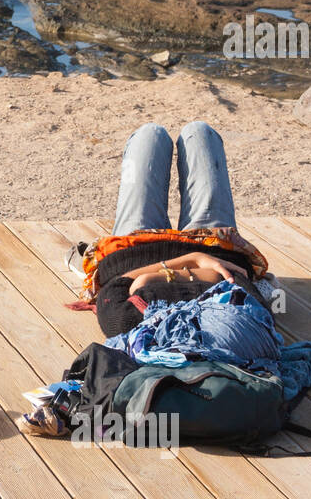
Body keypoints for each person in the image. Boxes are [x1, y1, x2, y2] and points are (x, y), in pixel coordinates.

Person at [87, 121, 270, 337]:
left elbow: (114, 289)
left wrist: (193, 262)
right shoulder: (237, 332)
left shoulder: (130, 325)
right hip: (213, 245)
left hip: (134, 250)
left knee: (150, 134)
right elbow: (243, 284)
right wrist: (191, 265)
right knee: (201, 132)